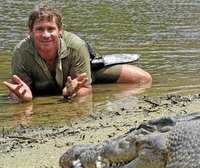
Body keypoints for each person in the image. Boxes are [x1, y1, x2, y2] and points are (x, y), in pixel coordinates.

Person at [3, 3, 152, 102]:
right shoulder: (20, 52)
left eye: (51, 29)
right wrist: (22, 99)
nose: (46, 35)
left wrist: (72, 93)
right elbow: (19, 91)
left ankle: (98, 79)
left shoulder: (76, 45)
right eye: (39, 29)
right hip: (42, 85)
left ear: (61, 30)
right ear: (30, 32)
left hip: (84, 73)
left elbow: (85, 91)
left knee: (144, 79)